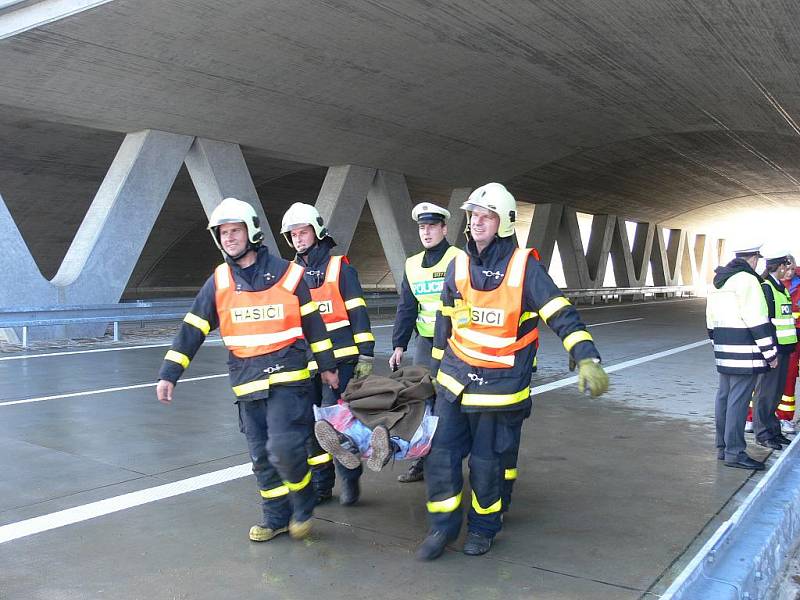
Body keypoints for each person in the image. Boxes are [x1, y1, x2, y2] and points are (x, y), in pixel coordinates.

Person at [416, 183, 609, 561]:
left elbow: (560, 312)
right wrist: (434, 372)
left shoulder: (525, 267)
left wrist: (586, 356)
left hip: (499, 387)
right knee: (440, 456)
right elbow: (445, 321)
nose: (476, 223)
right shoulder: (457, 264)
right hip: (455, 381)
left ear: (503, 222)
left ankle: (484, 528)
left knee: (488, 464)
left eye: (485, 217)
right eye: (473, 216)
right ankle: (442, 527)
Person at [156, 197, 339, 543]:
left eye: (235, 231)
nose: (229, 238)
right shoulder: (220, 280)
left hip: (288, 379)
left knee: (285, 448)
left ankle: (302, 503)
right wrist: (169, 373)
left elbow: (314, 324)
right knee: (260, 457)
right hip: (247, 384)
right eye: (223, 233)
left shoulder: (289, 274)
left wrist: (328, 367)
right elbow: (193, 327)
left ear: (251, 232)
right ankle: (275, 518)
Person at [280, 202, 375, 506]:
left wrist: (366, 356)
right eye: (293, 234)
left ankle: (350, 479)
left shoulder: (340, 268)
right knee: (311, 428)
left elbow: (359, 313)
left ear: (317, 232)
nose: (298, 238)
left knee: (336, 425)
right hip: (304, 365)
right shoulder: (290, 274)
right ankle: (322, 486)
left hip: (341, 361)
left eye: (303, 231)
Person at [389, 201, 464, 483]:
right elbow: (407, 306)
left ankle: (449, 456)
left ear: (444, 229)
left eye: (432, 226)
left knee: (450, 402)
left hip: (455, 342)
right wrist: (399, 345)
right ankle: (421, 461)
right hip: (425, 342)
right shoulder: (411, 264)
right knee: (421, 402)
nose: (427, 232)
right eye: (422, 227)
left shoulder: (458, 258)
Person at [706, 243, 777, 470]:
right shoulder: (748, 280)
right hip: (745, 352)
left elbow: (710, 319)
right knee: (738, 401)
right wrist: (770, 353)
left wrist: (717, 344)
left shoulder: (719, 281)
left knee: (724, 397)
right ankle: (735, 452)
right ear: (754, 258)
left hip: (724, 350)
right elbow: (756, 318)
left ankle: (722, 447)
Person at [753, 248, 797, 450]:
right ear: (779, 266)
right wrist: (769, 351)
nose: (788, 270)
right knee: (766, 394)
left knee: (776, 394)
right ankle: (762, 433)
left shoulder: (780, 288)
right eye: (786, 266)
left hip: (785, 349)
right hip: (773, 351)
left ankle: (773, 431)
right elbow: (763, 322)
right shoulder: (767, 288)